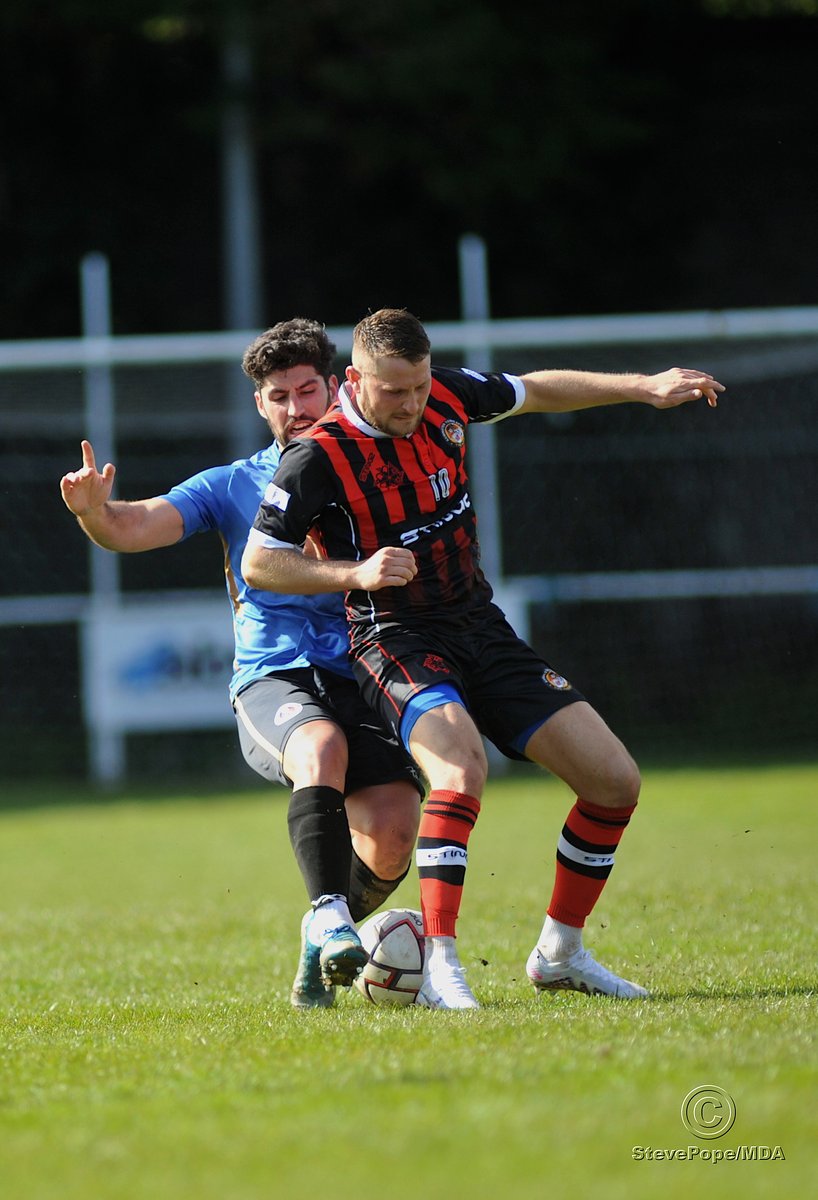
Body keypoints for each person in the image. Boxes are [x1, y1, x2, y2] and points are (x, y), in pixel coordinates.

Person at [242, 307, 725, 1010]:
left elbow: (534, 390)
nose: (410, 404)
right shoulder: (318, 454)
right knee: (461, 771)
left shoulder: (447, 396)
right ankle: (440, 965)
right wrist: (354, 573)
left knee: (615, 780)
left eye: (418, 386)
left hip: (480, 626)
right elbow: (260, 561)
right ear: (355, 380)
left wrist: (642, 387)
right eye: (392, 391)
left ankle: (560, 953)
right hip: (395, 638)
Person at [59, 317, 423, 1009]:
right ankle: (329, 915)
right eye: (279, 396)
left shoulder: (383, 466)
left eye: (307, 390)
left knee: (395, 831)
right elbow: (135, 525)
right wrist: (95, 514)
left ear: (337, 387)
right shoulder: (234, 484)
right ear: (261, 405)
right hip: (275, 679)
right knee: (321, 746)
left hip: (365, 674)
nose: (296, 409)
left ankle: (323, 932)